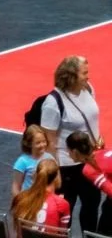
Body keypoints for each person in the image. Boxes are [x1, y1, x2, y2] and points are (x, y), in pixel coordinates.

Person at [38, 55, 102, 226]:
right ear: (71, 76)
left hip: (90, 161)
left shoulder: (87, 88)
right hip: (67, 167)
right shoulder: (53, 103)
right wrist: (55, 170)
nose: (88, 76)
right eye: (84, 73)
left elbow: (91, 120)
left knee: (92, 204)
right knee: (66, 209)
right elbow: (49, 141)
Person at [14, 157, 71, 237]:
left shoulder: (21, 198)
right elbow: (62, 235)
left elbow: (18, 232)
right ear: (56, 178)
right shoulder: (62, 204)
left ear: (36, 175)